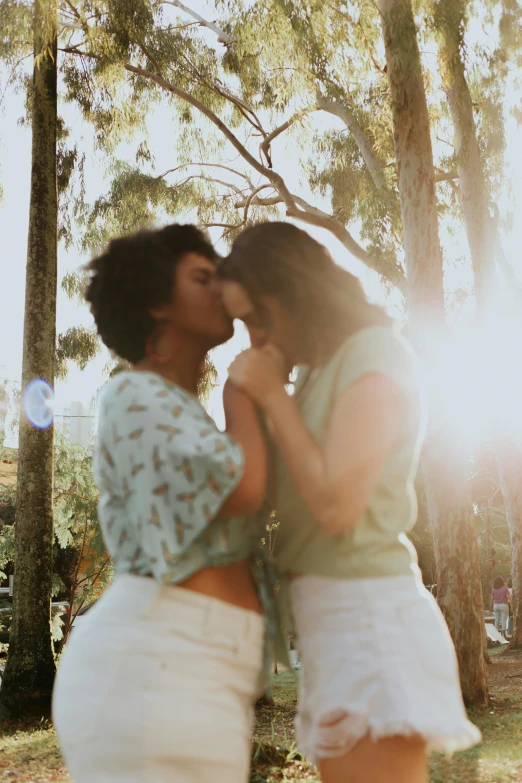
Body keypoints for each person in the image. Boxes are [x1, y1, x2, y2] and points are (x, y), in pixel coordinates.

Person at [219, 222, 481, 783]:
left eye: (253, 318)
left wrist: (271, 395)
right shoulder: (315, 371)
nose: (251, 338)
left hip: (368, 622)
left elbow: (339, 507)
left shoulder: (376, 354)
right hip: (331, 625)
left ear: (291, 294)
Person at [52, 224, 270, 783]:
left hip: (200, 677)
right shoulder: (134, 396)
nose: (221, 284)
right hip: (151, 674)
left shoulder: (182, 412)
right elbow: (244, 489)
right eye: (203, 276)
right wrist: (243, 391)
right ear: (156, 303)